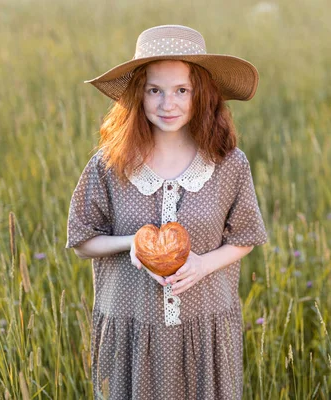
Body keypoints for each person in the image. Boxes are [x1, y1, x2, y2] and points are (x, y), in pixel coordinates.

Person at [65, 24, 267, 399]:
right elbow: (81, 241)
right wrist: (134, 244)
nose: (167, 104)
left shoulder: (228, 163)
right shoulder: (109, 164)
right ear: (138, 95)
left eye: (181, 91)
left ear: (201, 94)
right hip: (131, 329)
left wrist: (203, 265)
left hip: (204, 326)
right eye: (154, 90)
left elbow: (245, 237)